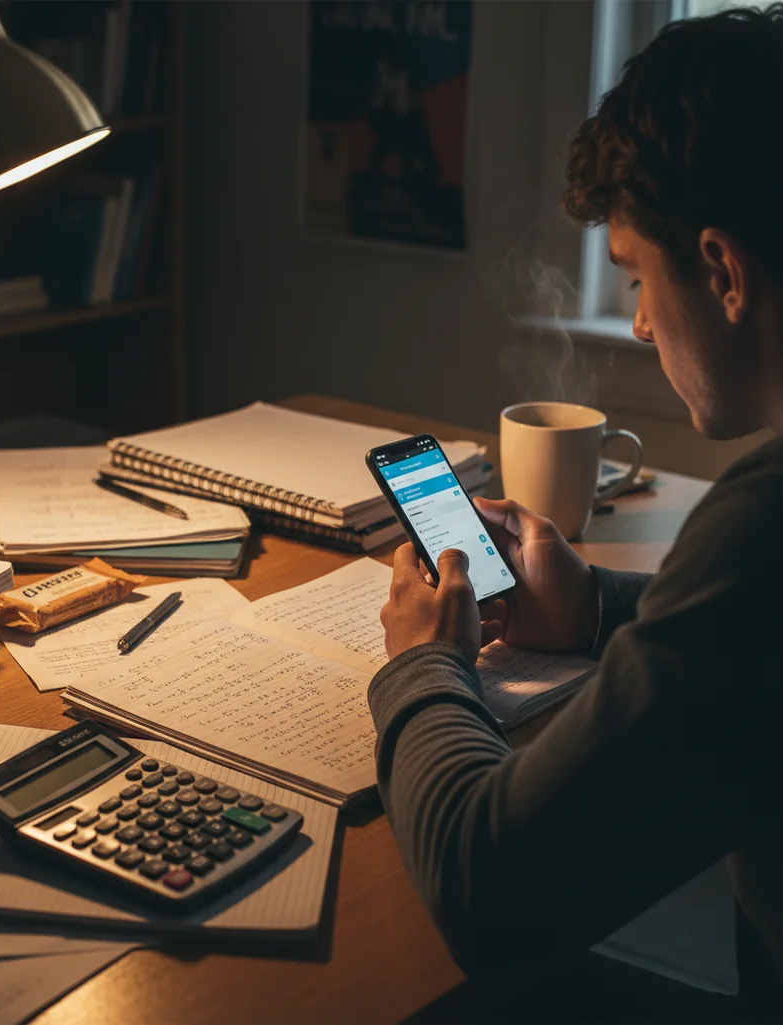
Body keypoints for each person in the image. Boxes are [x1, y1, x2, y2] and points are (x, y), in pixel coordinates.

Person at [370, 6, 783, 1019]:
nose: (638, 322)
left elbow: (488, 885)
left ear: (722, 270)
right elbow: (746, 643)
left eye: (639, 276)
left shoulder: (766, 524)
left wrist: (420, 660)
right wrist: (594, 604)